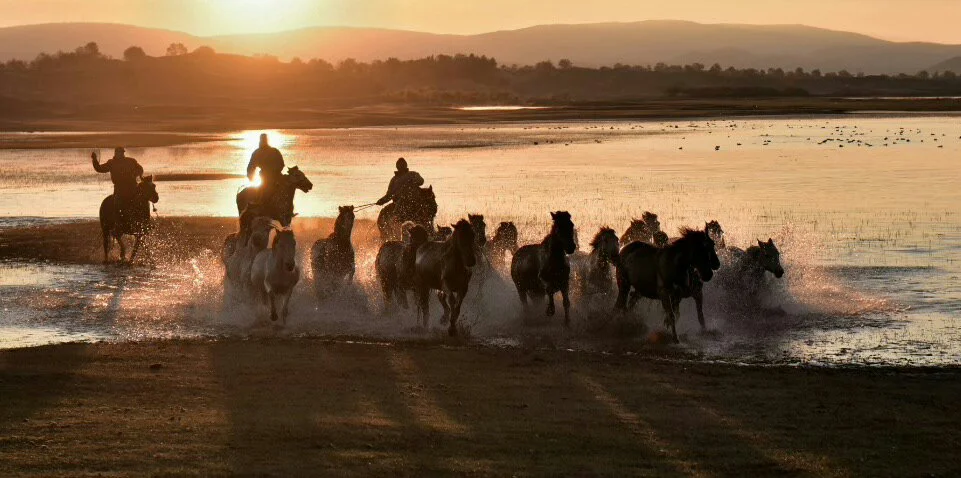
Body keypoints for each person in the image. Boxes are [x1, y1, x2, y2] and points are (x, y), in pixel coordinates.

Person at [92, 147, 144, 220]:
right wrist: (94, 160)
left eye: (122, 152)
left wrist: (135, 173)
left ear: (123, 153)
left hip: (133, 187)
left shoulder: (131, 161)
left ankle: (145, 219)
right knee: (117, 204)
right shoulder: (111, 163)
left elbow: (140, 169)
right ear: (115, 153)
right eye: (119, 152)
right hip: (119, 189)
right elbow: (99, 169)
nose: (121, 154)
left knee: (143, 200)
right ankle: (116, 221)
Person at [246, 133, 285, 203]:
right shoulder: (259, 152)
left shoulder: (272, 151)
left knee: (285, 188)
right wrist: (250, 176)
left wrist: (250, 176)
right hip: (267, 176)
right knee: (263, 191)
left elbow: (281, 164)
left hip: (275, 176)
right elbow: (251, 166)